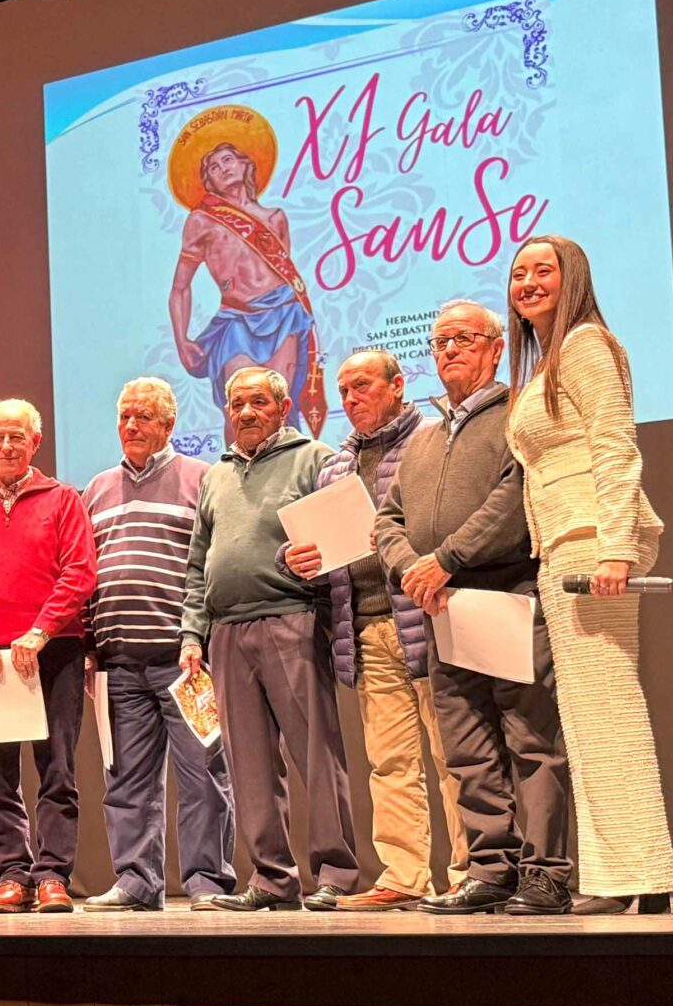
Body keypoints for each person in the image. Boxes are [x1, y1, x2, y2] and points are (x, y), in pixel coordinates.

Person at [503, 234, 673, 913]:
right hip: (565, 546)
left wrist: (616, 549)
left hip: (589, 547)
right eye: (519, 273)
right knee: (592, 717)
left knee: (607, 714)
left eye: (542, 270)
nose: (528, 282)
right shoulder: (550, 356)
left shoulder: (584, 345)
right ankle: (641, 876)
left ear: (573, 276)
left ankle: (631, 875)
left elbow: (615, 446)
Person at [377, 302, 573, 916]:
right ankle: (493, 868)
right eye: (439, 341)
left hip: (507, 593)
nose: (449, 350)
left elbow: (515, 496)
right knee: (467, 747)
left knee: (531, 740)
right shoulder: (424, 439)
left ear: (494, 348)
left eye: (464, 338)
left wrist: (447, 559)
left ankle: (546, 872)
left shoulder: (518, 414)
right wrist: (413, 566)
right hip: (443, 607)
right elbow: (387, 519)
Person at [286, 350, 467, 910]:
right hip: (364, 627)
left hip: (430, 618)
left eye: (361, 385)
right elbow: (321, 545)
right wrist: (294, 559)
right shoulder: (335, 465)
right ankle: (404, 875)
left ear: (396, 385)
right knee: (389, 761)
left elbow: (450, 522)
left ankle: (469, 874)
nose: (349, 398)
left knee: (452, 756)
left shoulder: (433, 440)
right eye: (342, 390)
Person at [180, 367, 358, 910]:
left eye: (258, 402)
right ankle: (272, 880)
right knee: (250, 764)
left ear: (283, 408)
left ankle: (335, 875)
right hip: (226, 632)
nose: (246, 413)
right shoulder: (216, 476)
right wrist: (192, 634)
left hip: (292, 619)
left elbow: (347, 539)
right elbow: (196, 565)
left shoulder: (315, 458)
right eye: (236, 404)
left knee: (316, 754)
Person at [0, 399, 98, 914]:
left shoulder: (63, 499)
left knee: (57, 769)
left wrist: (40, 631)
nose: (7, 446)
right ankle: (11, 875)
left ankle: (52, 876)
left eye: (17, 437)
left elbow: (79, 571)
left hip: (54, 651)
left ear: (36, 443)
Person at [80, 378, 235, 911]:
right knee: (126, 780)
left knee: (204, 778)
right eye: (125, 416)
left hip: (186, 662)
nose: (131, 426)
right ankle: (136, 881)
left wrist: (199, 639)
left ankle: (206, 882)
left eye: (143, 417)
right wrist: (87, 643)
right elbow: (83, 574)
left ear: (169, 425)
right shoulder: (96, 488)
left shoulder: (203, 479)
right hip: (118, 663)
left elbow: (211, 569)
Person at [168, 123, 324, 438]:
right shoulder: (201, 221)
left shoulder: (276, 218)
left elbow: (284, 276)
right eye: (213, 166)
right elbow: (180, 288)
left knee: (280, 409)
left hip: (283, 315)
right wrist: (182, 340)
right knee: (239, 410)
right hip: (236, 320)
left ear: (245, 165)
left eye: (227, 160)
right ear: (208, 181)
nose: (222, 168)